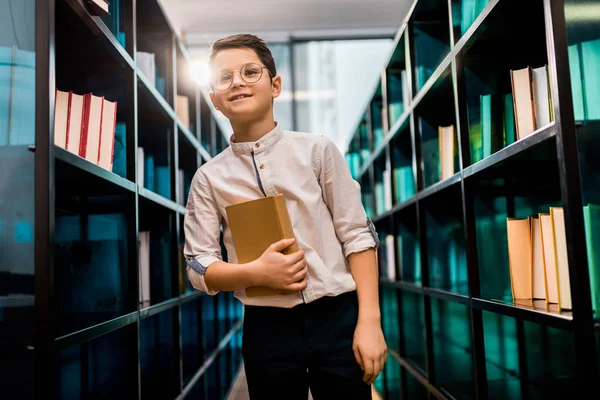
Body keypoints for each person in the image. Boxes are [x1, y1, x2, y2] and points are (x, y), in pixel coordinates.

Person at [183, 33, 387, 400]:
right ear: (214, 99)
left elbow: (357, 235)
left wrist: (369, 321)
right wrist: (255, 274)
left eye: (250, 72)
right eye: (224, 78)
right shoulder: (208, 179)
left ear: (275, 85)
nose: (238, 83)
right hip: (267, 327)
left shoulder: (318, 151)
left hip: (338, 315)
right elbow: (198, 265)